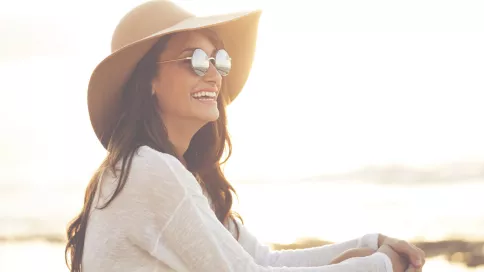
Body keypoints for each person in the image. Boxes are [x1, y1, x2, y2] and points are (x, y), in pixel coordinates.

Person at [65, 1, 426, 271]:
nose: (213, 75)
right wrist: (382, 265)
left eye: (218, 60)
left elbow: (265, 259)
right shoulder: (147, 171)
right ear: (149, 83)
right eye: (194, 60)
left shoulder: (170, 174)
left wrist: (373, 245)